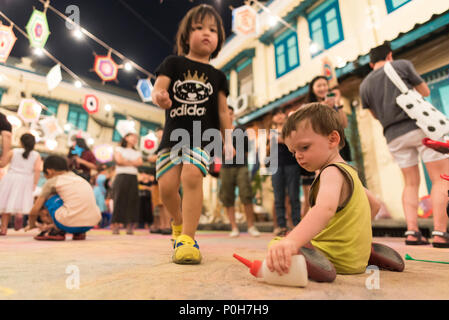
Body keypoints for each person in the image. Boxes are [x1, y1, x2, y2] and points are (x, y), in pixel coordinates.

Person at [152, 4, 233, 264]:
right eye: (198, 28)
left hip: (202, 136)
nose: (206, 33)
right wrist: (160, 98)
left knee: (191, 175)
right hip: (172, 135)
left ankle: (187, 238)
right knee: (166, 188)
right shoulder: (172, 63)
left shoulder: (219, 76)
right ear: (187, 36)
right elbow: (158, 89)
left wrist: (229, 140)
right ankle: (178, 222)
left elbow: (222, 112)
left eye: (212, 29)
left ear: (219, 38)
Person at [266, 103, 374, 275]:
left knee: (277, 244)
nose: (298, 156)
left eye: (304, 147)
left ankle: (314, 266)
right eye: (294, 152)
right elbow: (375, 204)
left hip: (334, 258)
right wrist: (357, 235)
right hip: (356, 258)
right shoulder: (350, 172)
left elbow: (324, 209)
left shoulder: (331, 171)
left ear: (332, 139)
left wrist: (292, 241)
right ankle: (367, 251)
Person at [360, 42, 449, 248]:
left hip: (393, 136)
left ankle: (412, 231)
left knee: (410, 183)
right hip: (420, 128)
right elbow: (425, 92)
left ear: (371, 63)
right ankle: (440, 233)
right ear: (389, 55)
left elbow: (375, 115)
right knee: (440, 179)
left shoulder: (364, 85)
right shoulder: (401, 65)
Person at [25, 155, 101, 241]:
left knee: (50, 196)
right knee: (71, 198)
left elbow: (35, 210)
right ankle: (79, 233)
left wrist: (32, 224)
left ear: (49, 171)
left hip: (68, 224)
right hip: (91, 223)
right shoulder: (80, 179)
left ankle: (57, 231)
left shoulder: (52, 181)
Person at [219, 106, 260, 238]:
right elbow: (214, 151)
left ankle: (251, 226)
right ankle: (234, 227)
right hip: (226, 168)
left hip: (241, 166)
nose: (229, 116)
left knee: (246, 195)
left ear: (234, 115)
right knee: (227, 198)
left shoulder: (241, 130)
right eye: (226, 113)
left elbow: (248, 150)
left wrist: (237, 151)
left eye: (231, 113)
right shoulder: (218, 132)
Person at [0, 133, 41, 235]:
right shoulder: (36, 155)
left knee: (7, 202)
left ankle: (3, 228)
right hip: (26, 179)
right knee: (21, 200)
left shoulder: (13, 152)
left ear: (20, 142)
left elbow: (3, 164)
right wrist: (35, 183)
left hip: (11, 178)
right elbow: (37, 170)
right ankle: (19, 216)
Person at [269, 108, 302, 237]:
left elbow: (291, 141)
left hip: (292, 164)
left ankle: (296, 224)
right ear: (273, 118)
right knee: (278, 197)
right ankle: (281, 226)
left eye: (281, 113)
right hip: (275, 165)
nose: (279, 116)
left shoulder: (291, 129)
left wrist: (278, 138)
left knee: (294, 195)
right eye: (275, 114)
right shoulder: (270, 131)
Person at [307, 75, 352, 161]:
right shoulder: (309, 107)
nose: (323, 88)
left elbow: (344, 124)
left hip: (340, 143)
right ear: (312, 89)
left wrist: (338, 103)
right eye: (319, 86)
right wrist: (324, 105)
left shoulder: (333, 104)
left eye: (325, 85)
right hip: (322, 145)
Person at [111, 132, 143, 235]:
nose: (134, 139)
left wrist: (126, 161)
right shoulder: (119, 149)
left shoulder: (137, 152)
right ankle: (115, 225)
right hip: (121, 176)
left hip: (133, 177)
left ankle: (130, 225)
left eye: (136, 138)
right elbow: (119, 161)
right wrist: (132, 163)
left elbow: (140, 163)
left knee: (132, 200)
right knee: (119, 199)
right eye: (132, 137)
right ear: (126, 138)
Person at [147, 127, 172, 235]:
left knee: (166, 202)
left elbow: (157, 158)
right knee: (159, 203)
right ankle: (162, 225)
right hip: (156, 176)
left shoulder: (170, 145)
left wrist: (156, 157)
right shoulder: (159, 147)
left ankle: (168, 225)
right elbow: (150, 158)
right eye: (158, 136)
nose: (159, 137)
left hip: (166, 174)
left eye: (161, 135)